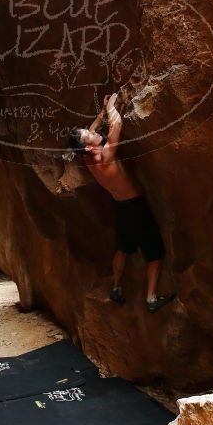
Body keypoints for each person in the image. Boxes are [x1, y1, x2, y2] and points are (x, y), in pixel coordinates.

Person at [69, 93, 175, 313]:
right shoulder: (104, 156)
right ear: (89, 147)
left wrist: (98, 117)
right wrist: (110, 107)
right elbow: (117, 124)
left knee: (124, 247)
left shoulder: (88, 158)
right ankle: (151, 298)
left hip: (120, 208)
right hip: (134, 207)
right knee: (155, 253)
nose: (93, 132)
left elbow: (90, 132)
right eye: (89, 135)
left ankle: (116, 287)